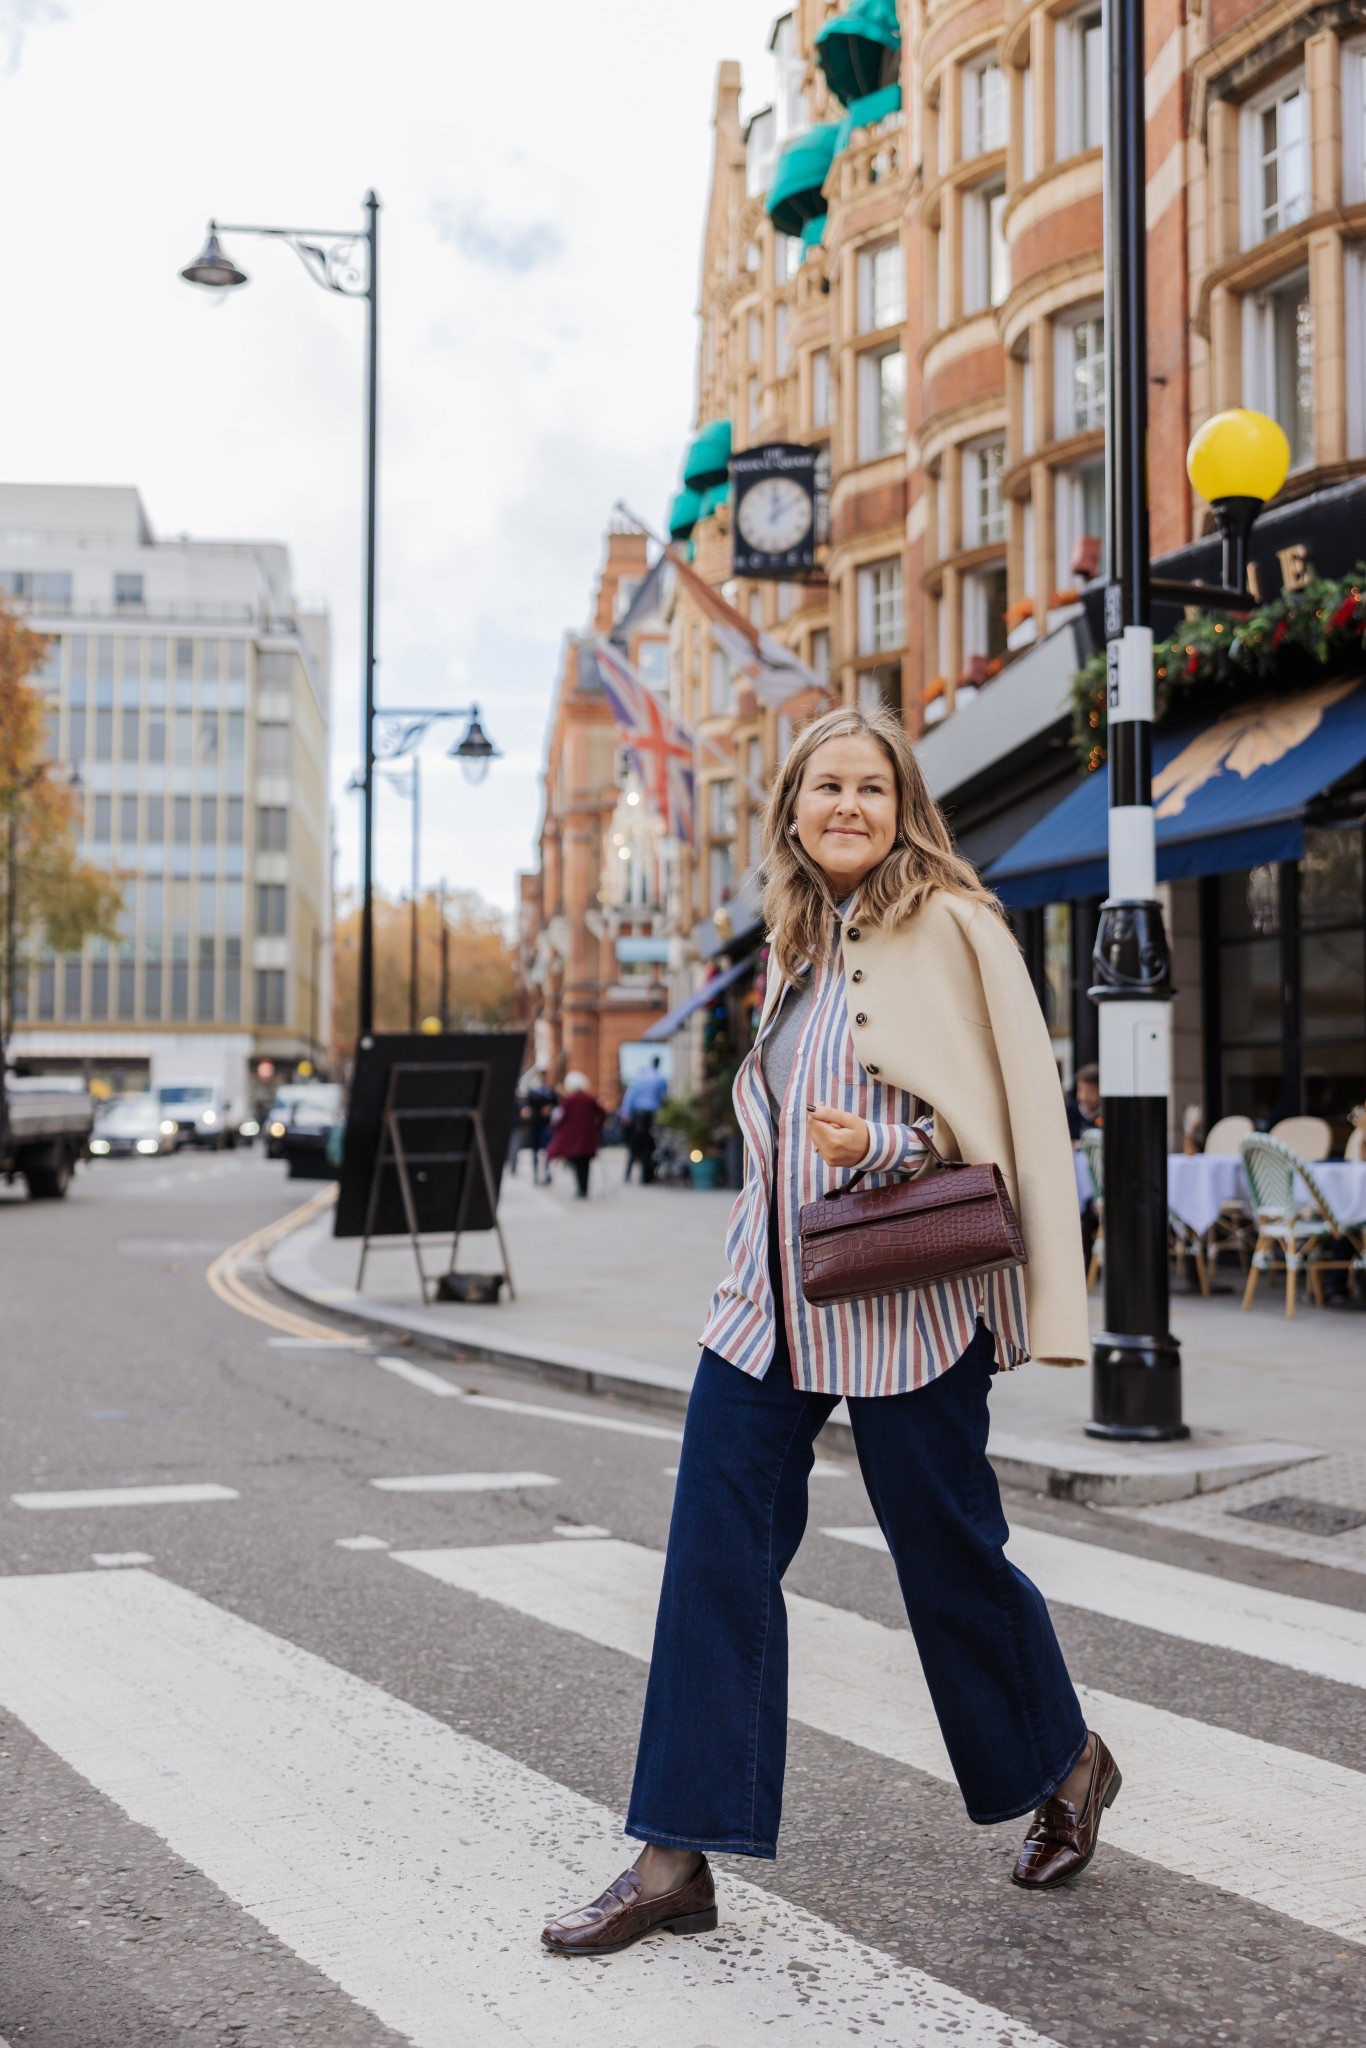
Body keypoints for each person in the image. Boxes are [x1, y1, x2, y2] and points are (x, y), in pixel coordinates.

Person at [542, 704, 1118, 1959]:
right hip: (765, 1303)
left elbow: (1004, 1122)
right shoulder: (792, 939)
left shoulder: (957, 925)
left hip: (904, 1298)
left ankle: (1065, 1756)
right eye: (824, 787)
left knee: (947, 1554)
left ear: (902, 804)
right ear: (792, 810)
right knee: (711, 1558)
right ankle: (673, 1856)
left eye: (870, 785)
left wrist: (892, 1144)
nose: (846, 805)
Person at [545, 1071, 606, 1199]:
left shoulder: (569, 1100)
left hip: (573, 1138)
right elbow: (603, 1113)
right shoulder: (590, 1098)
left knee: (576, 1162)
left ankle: (580, 1188)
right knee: (585, 1163)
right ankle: (584, 1188)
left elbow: (560, 1117)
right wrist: (597, 1128)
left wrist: (554, 1128)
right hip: (588, 1137)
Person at [620, 1056, 669, 1184]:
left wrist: (626, 1114)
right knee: (649, 1146)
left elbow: (630, 1097)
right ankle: (647, 1176)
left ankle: (628, 1173)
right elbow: (664, 1098)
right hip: (652, 1115)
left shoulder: (639, 1078)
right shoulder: (660, 1078)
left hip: (639, 1116)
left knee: (636, 1146)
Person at [517, 1071, 558, 1185]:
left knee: (547, 1149)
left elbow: (557, 1106)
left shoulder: (551, 1093)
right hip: (535, 1124)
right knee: (535, 1150)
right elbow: (527, 1106)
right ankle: (536, 1174)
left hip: (547, 1124)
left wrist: (550, 1108)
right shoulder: (533, 1093)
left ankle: (547, 1172)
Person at [1066, 1063, 1102, 1143]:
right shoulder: (1070, 1111)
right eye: (1080, 1090)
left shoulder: (1106, 1115)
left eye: (1090, 1092)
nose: (1083, 1096)